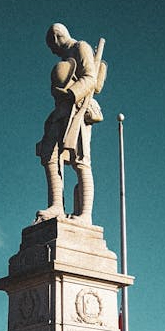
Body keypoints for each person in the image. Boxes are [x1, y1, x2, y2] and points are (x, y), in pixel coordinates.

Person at [35, 23, 106, 226]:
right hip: (61, 110)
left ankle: (85, 214)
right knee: (48, 152)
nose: (52, 50)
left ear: (56, 38)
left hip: (78, 108)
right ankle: (57, 205)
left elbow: (91, 78)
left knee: (81, 161)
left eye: (51, 45)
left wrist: (73, 93)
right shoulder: (67, 56)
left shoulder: (80, 47)